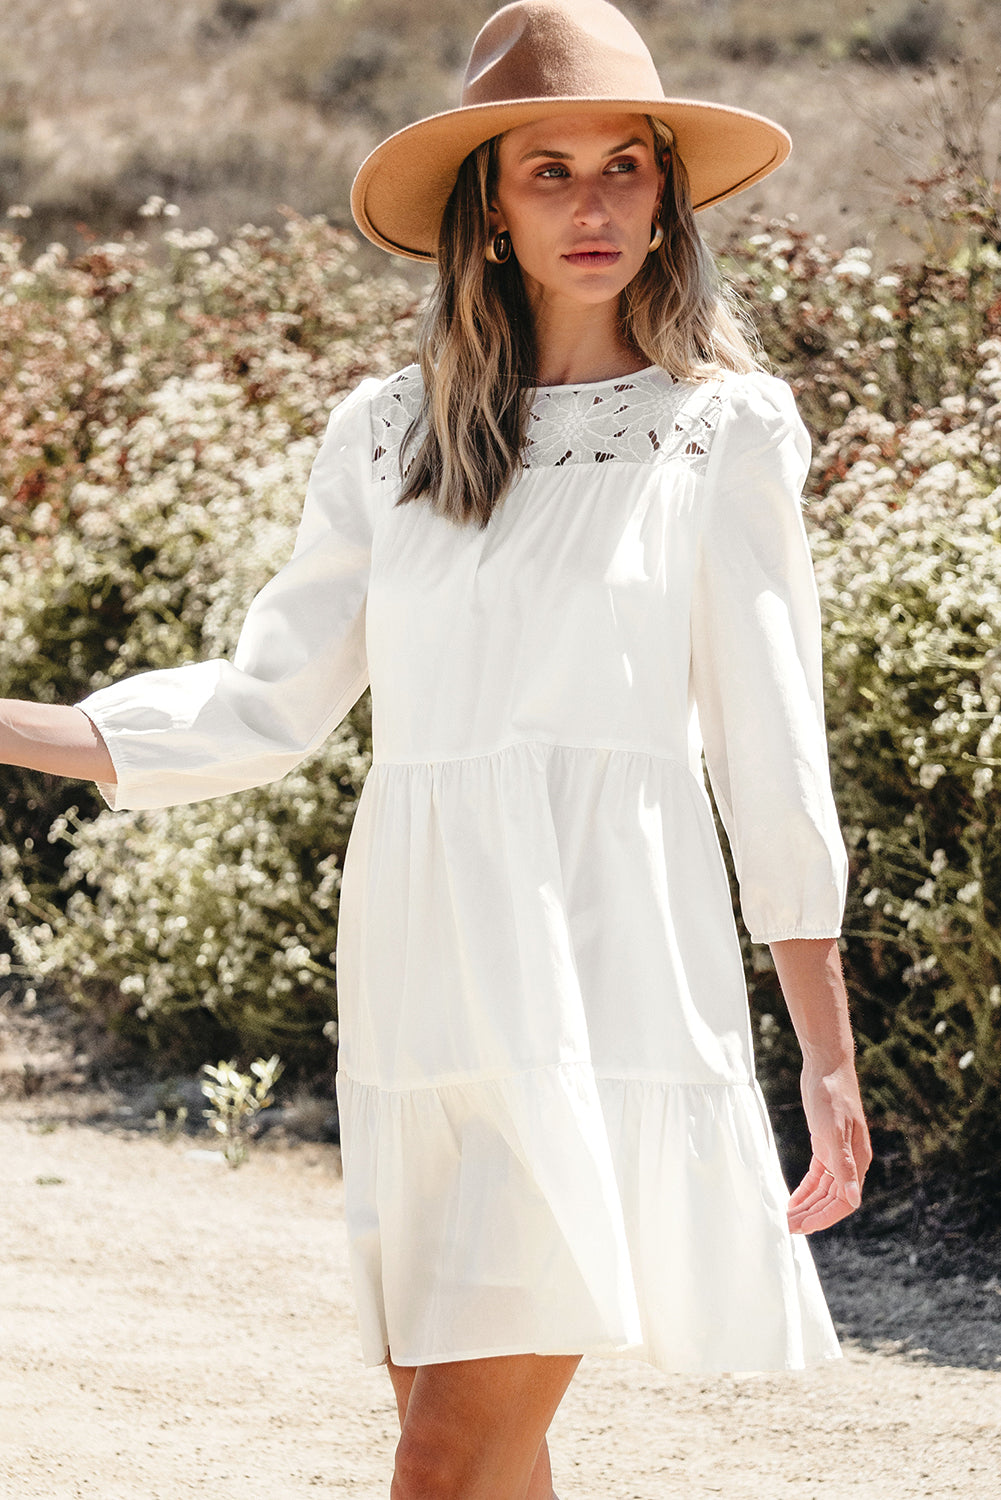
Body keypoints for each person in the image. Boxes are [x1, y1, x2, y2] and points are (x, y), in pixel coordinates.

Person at [0, 2, 872, 1496]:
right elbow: (268, 700)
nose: (593, 205)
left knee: (443, 1452)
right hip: (420, 974)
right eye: (548, 170)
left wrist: (826, 1048)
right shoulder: (386, 432)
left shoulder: (719, 429)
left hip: (604, 968)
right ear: (487, 208)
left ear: (667, 195)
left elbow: (769, 741)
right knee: (477, 1450)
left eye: (623, 166)